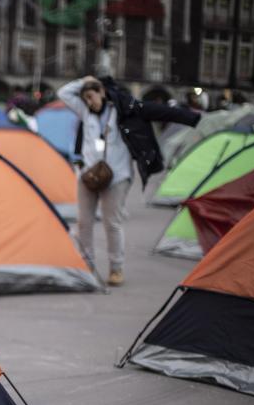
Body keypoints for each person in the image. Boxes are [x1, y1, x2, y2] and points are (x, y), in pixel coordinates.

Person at [59, 75, 200, 286]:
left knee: (111, 223)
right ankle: (86, 266)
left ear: (102, 92)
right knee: (84, 223)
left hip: (117, 176)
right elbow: (63, 93)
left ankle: (116, 269)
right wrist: (85, 81)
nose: (89, 102)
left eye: (91, 96)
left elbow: (161, 111)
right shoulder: (84, 111)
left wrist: (194, 119)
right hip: (88, 176)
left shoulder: (125, 110)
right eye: (85, 98)